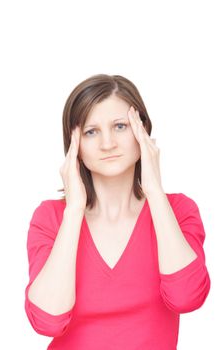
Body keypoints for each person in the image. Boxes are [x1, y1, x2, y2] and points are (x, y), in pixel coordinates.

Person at [24, 74, 211, 349]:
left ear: (142, 131)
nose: (107, 143)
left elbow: (187, 298)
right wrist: (74, 210)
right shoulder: (51, 218)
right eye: (91, 131)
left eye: (120, 126)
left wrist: (155, 191)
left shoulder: (178, 210)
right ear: (75, 145)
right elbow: (48, 321)